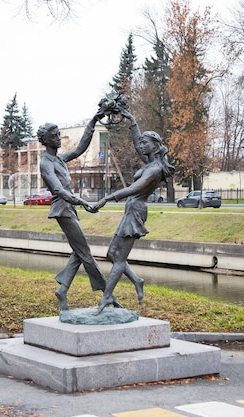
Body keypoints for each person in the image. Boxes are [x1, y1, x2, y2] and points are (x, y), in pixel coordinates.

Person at [91, 110, 175, 313]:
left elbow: (133, 189)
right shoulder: (149, 163)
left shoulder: (155, 170)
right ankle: (137, 280)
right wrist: (132, 120)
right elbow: (137, 141)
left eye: (145, 143)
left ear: (154, 146)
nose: (141, 146)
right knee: (112, 254)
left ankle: (106, 298)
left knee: (118, 259)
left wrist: (106, 199)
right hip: (130, 210)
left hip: (136, 211)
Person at [37, 110, 120, 311]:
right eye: (55, 135)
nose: (58, 138)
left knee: (78, 251)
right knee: (85, 253)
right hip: (63, 209)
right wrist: (83, 202)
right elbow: (57, 189)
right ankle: (108, 295)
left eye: (58, 134)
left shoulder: (59, 159)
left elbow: (80, 148)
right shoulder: (45, 163)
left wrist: (93, 121)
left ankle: (63, 289)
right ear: (47, 140)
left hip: (69, 208)